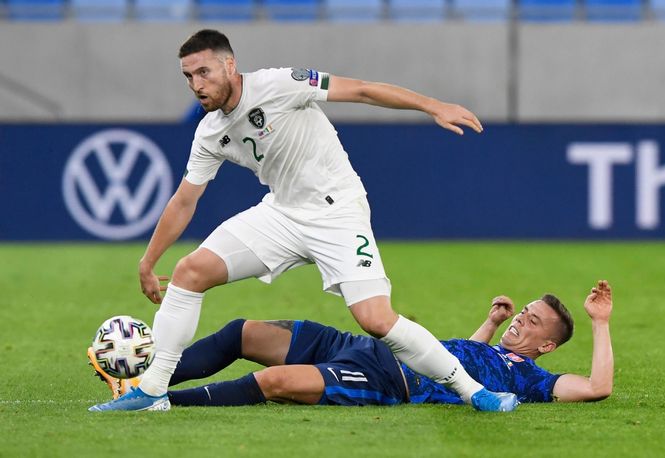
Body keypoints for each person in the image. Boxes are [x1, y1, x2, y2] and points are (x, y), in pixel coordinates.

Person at [89, 29, 516, 412]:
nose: (196, 85)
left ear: (229, 65)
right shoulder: (209, 132)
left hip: (338, 212)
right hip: (282, 213)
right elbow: (184, 201)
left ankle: (473, 391)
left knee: (376, 320)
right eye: (188, 77)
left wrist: (432, 105)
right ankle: (152, 391)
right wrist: (148, 261)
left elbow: (363, 90)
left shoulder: (279, 84)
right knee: (190, 271)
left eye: (203, 72)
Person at [89, 281, 614, 407]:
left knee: (274, 383)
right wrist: (490, 324)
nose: (523, 317)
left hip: (393, 377)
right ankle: (145, 378)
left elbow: (596, 387)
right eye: (526, 310)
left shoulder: (531, 378)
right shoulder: (497, 351)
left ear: (547, 345)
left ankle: (156, 401)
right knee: (243, 332)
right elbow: (456, 358)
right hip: (371, 344)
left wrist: (599, 322)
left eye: (534, 320)